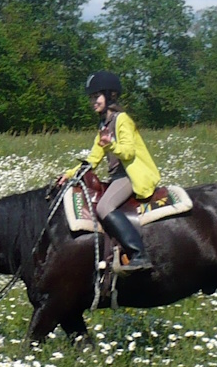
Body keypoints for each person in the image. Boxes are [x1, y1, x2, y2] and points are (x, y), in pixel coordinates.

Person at [57, 71, 157, 272]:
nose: (93, 102)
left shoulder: (122, 120)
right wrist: (69, 174)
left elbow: (128, 153)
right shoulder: (103, 123)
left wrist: (111, 145)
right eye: (91, 98)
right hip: (116, 177)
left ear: (110, 96)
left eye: (96, 97)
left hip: (129, 176)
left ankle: (139, 253)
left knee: (104, 207)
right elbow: (94, 157)